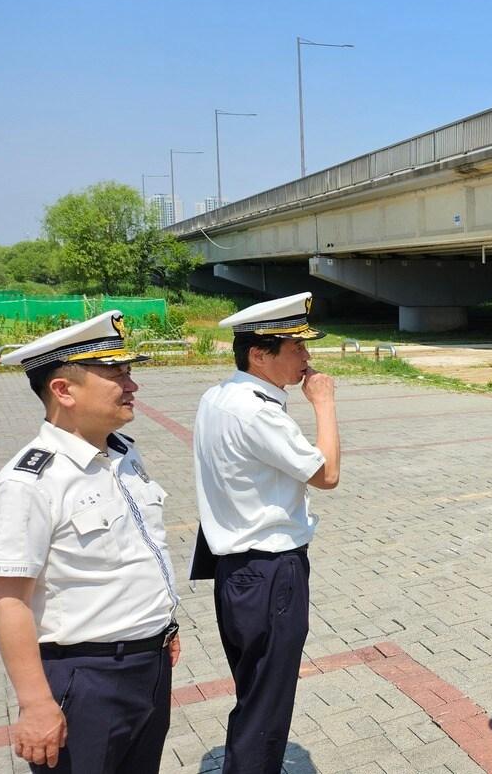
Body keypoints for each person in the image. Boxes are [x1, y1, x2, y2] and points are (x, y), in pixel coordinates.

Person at [0, 311, 179, 773]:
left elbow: (140, 550)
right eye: (116, 373)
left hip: (147, 666)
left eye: (129, 371)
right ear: (63, 390)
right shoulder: (29, 482)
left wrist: (159, 625)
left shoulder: (122, 452)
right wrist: (35, 704)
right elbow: (6, 601)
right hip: (86, 680)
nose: (131, 385)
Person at [191, 291, 341, 774]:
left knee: (255, 691)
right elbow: (327, 474)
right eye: (295, 348)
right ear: (259, 354)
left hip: (238, 570)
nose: (307, 357)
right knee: (266, 706)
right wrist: (324, 403)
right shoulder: (258, 411)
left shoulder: (219, 396)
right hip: (271, 569)